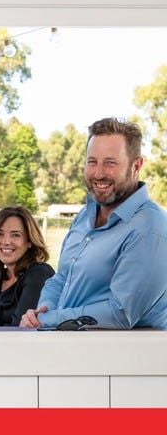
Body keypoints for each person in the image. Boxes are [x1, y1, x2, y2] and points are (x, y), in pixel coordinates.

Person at [21, 117, 167, 330]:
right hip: (70, 346)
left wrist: (50, 320)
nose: (99, 173)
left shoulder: (149, 228)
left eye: (110, 163)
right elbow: (62, 278)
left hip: (121, 351)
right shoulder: (84, 216)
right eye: (92, 162)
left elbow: (121, 313)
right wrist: (43, 311)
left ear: (136, 166)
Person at [0, 206, 54, 326]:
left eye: (15, 235)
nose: (6, 241)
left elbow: (19, 330)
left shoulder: (39, 273)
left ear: (29, 241)